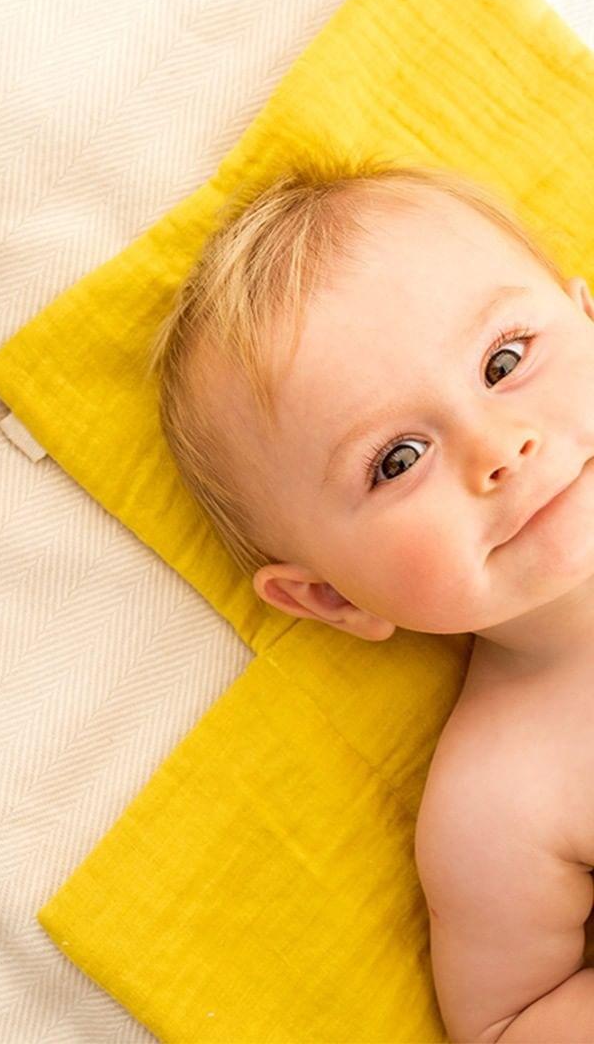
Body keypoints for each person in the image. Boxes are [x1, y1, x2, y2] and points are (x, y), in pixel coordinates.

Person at [148, 152, 594, 1042]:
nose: (497, 446)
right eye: (397, 460)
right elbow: (505, 1025)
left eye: (505, 360)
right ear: (327, 596)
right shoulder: (501, 801)